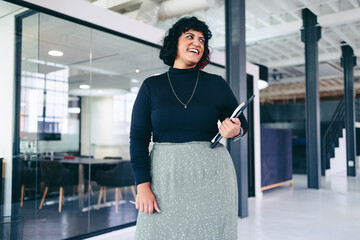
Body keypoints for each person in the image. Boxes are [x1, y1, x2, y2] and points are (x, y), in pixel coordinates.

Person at [130, 16, 248, 240]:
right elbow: (138, 138)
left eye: (202, 40)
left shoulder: (216, 84)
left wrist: (236, 130)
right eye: (190, 36)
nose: (198, 43)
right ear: (175, 42)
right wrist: (142, 186)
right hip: (165, 176)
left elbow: (243, 125)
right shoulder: (151, 86)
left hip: (213, 177)